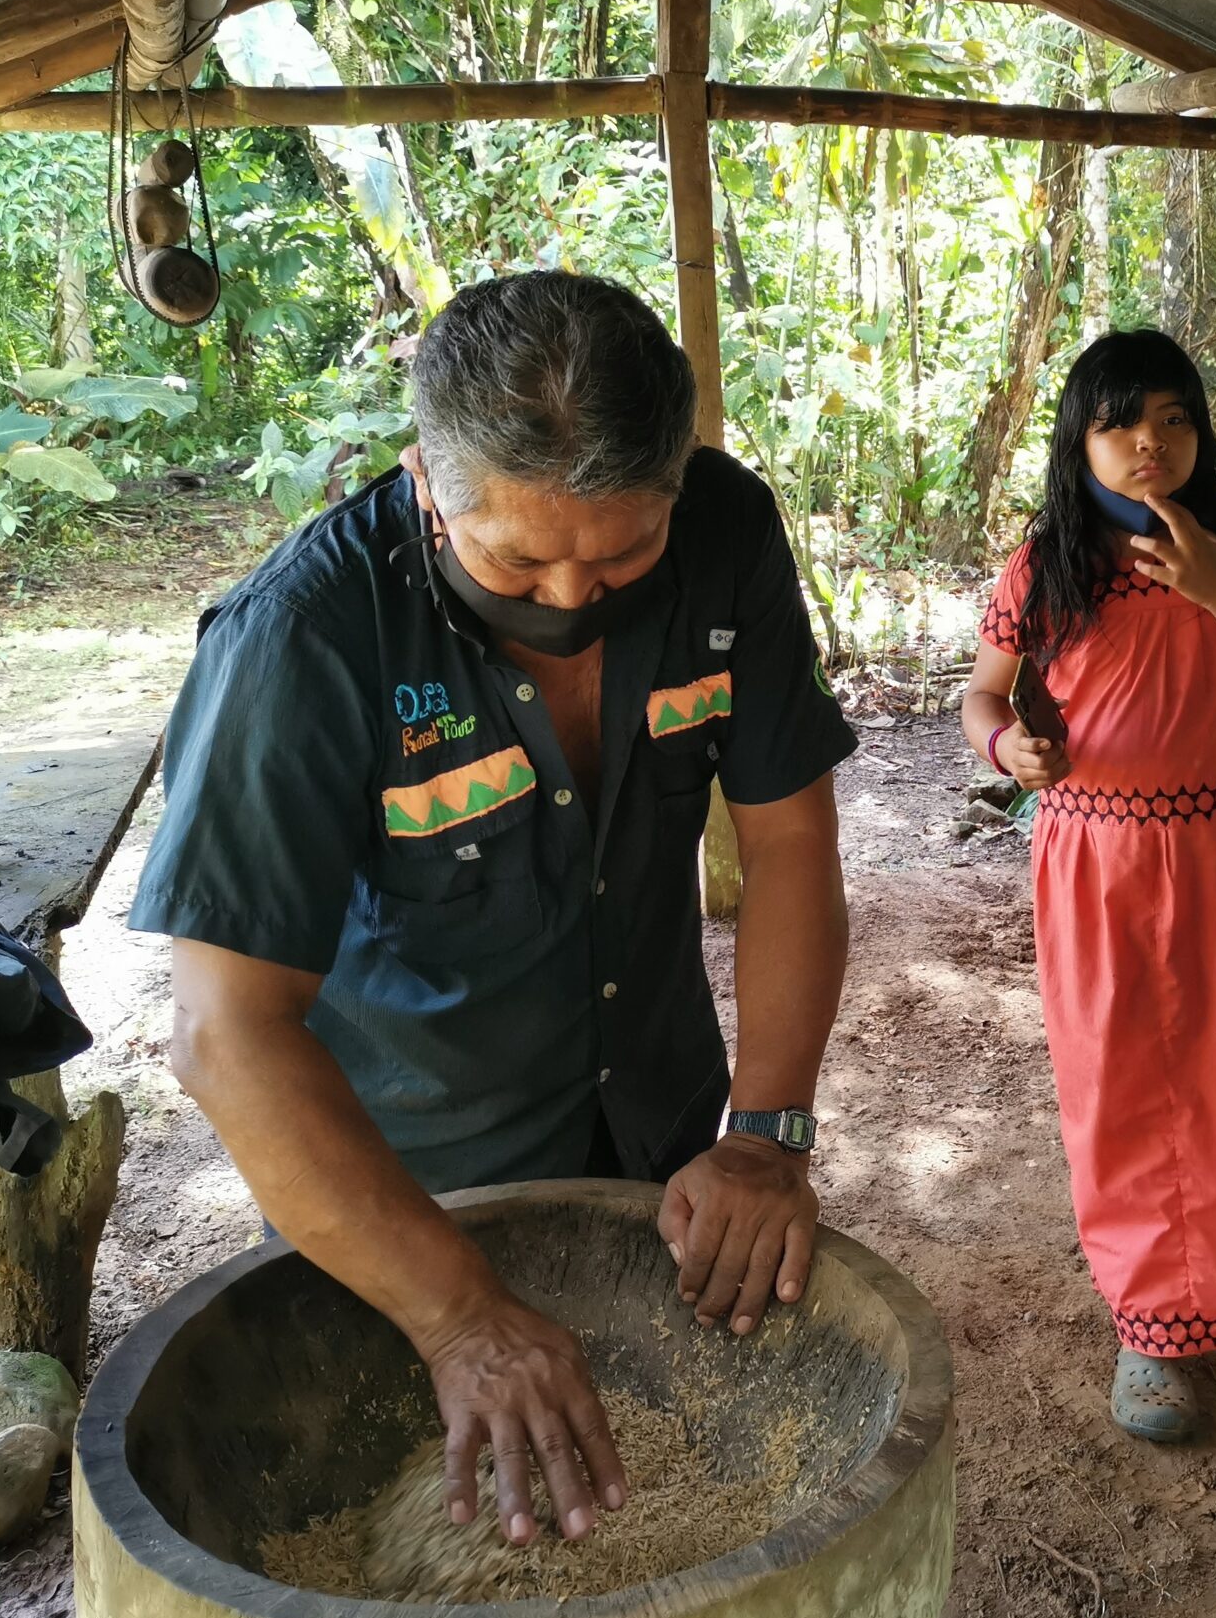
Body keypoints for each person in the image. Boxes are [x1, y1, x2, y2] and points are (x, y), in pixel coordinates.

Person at [130, 271, 857, 1551]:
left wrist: (765, 1130)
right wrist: (458, 1316)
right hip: (406, 1195)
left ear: (679, 486)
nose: (572, 599)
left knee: (672, 1523)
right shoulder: (300, 640)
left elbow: (789, 840)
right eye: (518, 556)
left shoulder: (729, 534)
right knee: (443, 1532)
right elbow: (226, 1033)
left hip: (660, 1137)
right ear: (426, 481)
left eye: (626, 553)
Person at [960, 329, 1216, 1442]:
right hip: (1103, 862)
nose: (1150, 443)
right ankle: (1153, 1327)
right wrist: (1006, 754)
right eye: (1121, 422)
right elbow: (981, 698)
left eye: (1174, 419)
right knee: (1132, 1087)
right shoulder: (1048, 563)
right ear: (1079, 439)